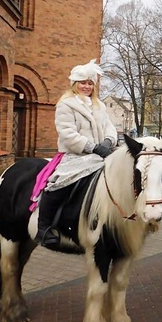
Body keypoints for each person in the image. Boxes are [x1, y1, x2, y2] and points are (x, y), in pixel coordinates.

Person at [35, 59, 117, 247]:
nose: (86, 86)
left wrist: (107, 141)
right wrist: (93, 147)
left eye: (90, 83)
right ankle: (44, 227)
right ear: (75, 84)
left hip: (99, 155)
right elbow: (67, 134)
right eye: (83, 82)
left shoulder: (99, 106)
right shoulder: (66, 104)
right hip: (75, 156)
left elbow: (109, 127)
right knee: (58, 184)